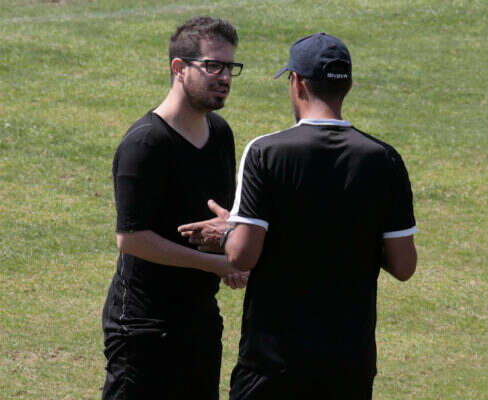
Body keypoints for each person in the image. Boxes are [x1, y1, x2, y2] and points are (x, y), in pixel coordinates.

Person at [222, 32, 418, 399]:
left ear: (297, 82)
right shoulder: (385, 159)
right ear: (349, 86)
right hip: (349, 364)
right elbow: (404, 265)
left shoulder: (265, 153)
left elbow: (241, 255)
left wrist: (225, 232)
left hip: (273, 364)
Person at [101, 16, 246, 400]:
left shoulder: (220, 134)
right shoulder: (145, 143)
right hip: (142, 328)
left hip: (200, 319)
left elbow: (222, 213)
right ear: (179, 68)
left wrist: (232, 242)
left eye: (229, 67)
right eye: (213, 66)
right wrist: (216, 264)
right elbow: (132, 238)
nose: (224, 77)